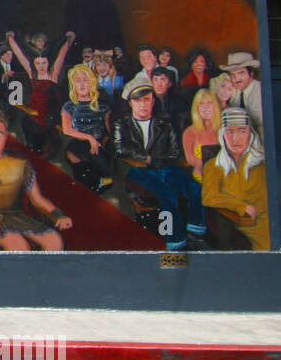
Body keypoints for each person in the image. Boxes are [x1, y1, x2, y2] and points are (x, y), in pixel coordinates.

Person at [0, 106, 70, 251]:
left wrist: (58, 214)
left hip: (18, 218)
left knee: (55, 240)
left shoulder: (21, 164)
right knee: (19, 246)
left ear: (6, 135)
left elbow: (37, 199)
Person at [113, 85, 204, 251]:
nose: (142, 104)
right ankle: (175, 241)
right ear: (131, 103)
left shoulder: (165, 123)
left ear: (152, 102)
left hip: (164, 167)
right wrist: (145, 158)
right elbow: (120, 149)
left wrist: (157, 160)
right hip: (138, 170)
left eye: (146, 99)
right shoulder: (122, 123)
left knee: (193, 187)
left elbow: (174, 151)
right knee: (167, 194)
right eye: (137, 100)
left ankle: (195, 232)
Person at [202, 108, 269, 251]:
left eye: (241, 131)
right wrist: (241, 206)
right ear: (222, 135)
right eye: (230, 132)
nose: (235, 139)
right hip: (239, 221)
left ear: (250, 134)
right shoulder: (213, 166)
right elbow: (209, 197)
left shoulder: (262, 164)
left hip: (265, 223)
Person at [60, 64, 113, 193]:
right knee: (76, 153)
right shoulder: (69, 106)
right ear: (73, 85)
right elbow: (67, 129)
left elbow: (110, 131)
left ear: (92, 83)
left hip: (99, 146)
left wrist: (103, 140)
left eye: (85, 80)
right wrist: (89, 138)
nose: (82, 84)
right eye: (78, 81)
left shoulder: (103, 107)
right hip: (79, 143)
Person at [183, 89, 223, 183]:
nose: (206, 107)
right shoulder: (189, 132)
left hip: (224, 177)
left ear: (215, 106)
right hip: (202, 179)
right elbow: (190, 159)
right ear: (196, 108)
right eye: (201, 104)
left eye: (210, 103)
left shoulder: (224, 129)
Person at [220, 51, 264, 137]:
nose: (237, 79)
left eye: (241, 73)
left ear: (251, 74)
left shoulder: (260, 91)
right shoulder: (234, 92)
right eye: (233, 75)